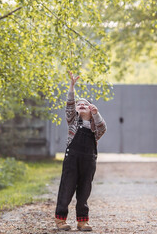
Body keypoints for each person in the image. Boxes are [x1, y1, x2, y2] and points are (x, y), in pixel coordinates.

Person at [54, 71, 107, 231]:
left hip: (88, 161)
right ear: (76, 110)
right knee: (67, 188)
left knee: (84, 191)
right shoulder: (73, 122)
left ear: (91, 110)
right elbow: (70, 104)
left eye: (85, 104)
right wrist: (72, 86)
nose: (81, 105)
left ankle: (82, 221)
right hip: (72, 160)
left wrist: (97, 115)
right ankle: (61, 219)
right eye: (79, 104)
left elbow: (103, 128)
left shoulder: (94, 127)